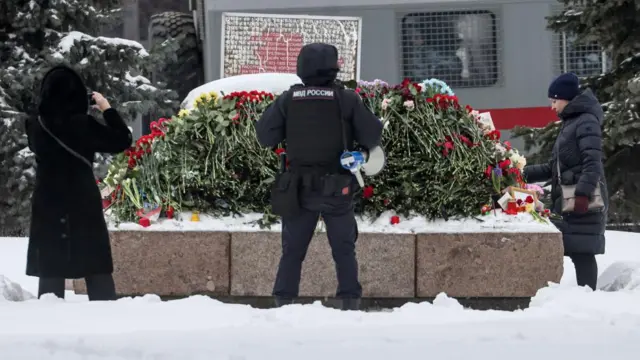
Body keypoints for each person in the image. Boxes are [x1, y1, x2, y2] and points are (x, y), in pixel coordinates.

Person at [255, 43, 383, 310]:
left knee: (292, 252)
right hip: (338, 187)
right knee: (344, 250)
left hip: (298, 189)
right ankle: (350, 303)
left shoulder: (289, 100)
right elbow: (372, 136)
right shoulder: (346, 99)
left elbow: (265, 137)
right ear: (333, 69)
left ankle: (284, 303)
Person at [25, 64, 133, 300]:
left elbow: (36, 121)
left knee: (50, 269)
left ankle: (50, 322)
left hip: (48, 201)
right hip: (82, 201)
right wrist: (106, 108)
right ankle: (105, 318)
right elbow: (122, 140)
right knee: (95, 265)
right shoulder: (84, 125)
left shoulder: (36, 126)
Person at [524, 72, 608, 291]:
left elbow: (593, 161)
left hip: (581, 199)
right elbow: (555, 167)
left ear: (566, 98)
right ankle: (583, 296)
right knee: (579, 249)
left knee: (583, 251)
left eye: (554, 101)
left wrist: (583, 193)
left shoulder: (585, 122)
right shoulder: (572, 123)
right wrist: (521, 173)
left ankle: (587, 298)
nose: (552, 106)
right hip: (572, 198)